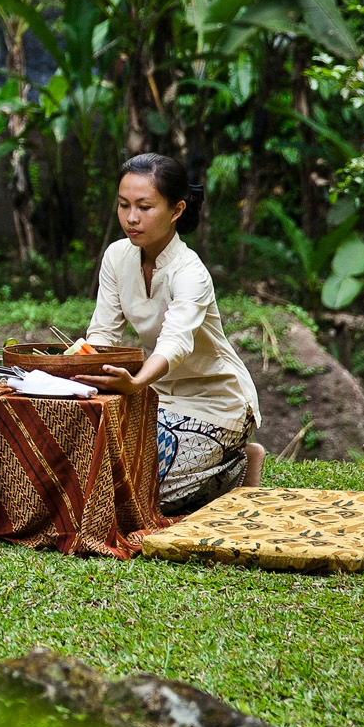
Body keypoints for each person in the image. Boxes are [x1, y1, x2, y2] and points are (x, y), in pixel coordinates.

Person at [78, 153, 265, 515]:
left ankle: (238, 465)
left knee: (145, 495)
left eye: (144, 207)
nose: (131, 218)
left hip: (216, 404)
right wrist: (76, 373)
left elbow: (176, 342)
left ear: (177, 209)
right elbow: (102, 334)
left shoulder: (190, 272)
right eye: (123, 205)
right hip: (157, 397)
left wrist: (136, 382)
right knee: (97, 471)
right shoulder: (117, 257)